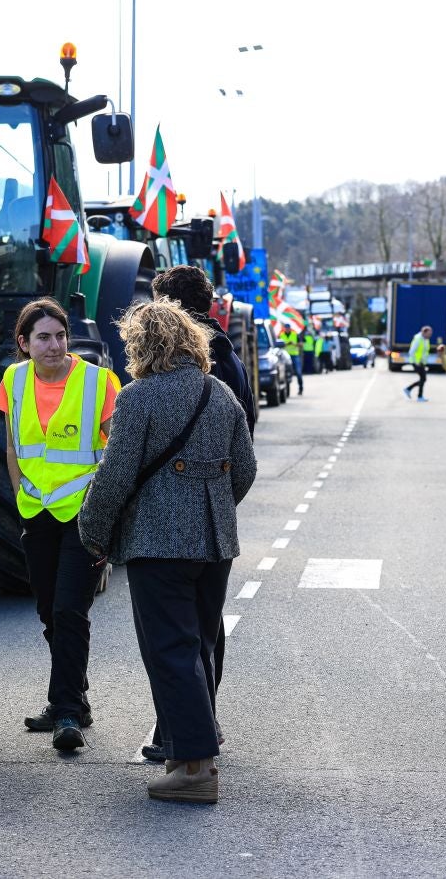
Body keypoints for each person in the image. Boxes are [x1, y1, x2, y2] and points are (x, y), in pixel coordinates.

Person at [78, 299, 257, 804]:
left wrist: (93, 531)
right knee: (197, 646)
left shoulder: (137, 398)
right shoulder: (220, 394)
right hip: (215, 543)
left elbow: (114, 476)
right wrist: (213, 508)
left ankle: (196, 768)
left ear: (140, 345)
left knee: (170, 651)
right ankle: (184, 752)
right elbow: (244, 471)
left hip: (158, 544)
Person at [0, 297, 120, 752]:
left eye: (60, 336)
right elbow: (12, 447)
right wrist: (17, 494)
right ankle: (76, 697)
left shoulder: (99, 382)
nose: (54, 346)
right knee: (49, 611)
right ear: (24, 343)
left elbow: (117, 455)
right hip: (35, 512)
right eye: (43, 337)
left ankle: (66, 710)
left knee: (69, 610)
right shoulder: (13, 379)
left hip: (84, 515)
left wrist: (106, 513)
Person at [141, 263, 253, 762]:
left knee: (174, 638)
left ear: (168, 307)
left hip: (168, 523)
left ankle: (181, 734)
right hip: (216, 519)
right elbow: (245, 448)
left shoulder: (160, 373)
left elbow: (125, 466)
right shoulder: (230, 362)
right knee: (203, 631)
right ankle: (199, 722)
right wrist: (217, 498)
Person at [151, 264, 256, 433]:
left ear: (172, 310)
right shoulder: (233, 360)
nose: (153, 315)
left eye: (157, 308)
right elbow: (246, 433)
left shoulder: (177, 363)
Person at [404, 325, 433, 401]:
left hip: (421, 362)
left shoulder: (426, 339)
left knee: (423, 379)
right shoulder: (418, 339)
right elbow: (411, 352)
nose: (430, 335)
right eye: (429, 333)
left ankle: (410, 390)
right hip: (416, 362)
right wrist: (416, 362)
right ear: (424, 332)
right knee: (423, 378)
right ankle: (417, 395)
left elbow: (424, 351)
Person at [283, 325, 304, 395]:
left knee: (298, 373)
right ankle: (287, 392)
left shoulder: (295, 335)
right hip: (285, 357)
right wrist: (286, 344)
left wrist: (294, 344)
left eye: (288, 328)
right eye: (286, 328)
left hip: (295, 355)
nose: (287, 329)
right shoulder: (281, 335)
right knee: (286, 374)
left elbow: (301, 344)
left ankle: (301, 388)